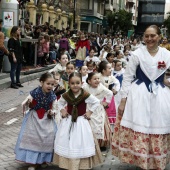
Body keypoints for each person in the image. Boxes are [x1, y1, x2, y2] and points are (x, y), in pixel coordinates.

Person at [112, 25, 170, 170]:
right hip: (139, 94)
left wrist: (166, 82)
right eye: (146, 36)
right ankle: (142, 161)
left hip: (160, 94)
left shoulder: (166, 54)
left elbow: (162, 75)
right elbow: (127, 78)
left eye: (153, 35)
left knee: (157, 124)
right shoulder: (137, 54)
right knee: (141, 123)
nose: (149, 39)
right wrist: (123, 101)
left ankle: (155, 160)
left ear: (159, 37)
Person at [53, 72, 102, 170]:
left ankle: (81, 164)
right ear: (69, 84)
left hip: (81, 122)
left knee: (80, 141)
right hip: (68, 121)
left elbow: (96, 102)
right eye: (72, 83)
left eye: (77, 83)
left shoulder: (85, 95)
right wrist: (63, 111)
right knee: (68, 140)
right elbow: (59, 103)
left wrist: (89, 112)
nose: (75, 85)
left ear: (82, 83)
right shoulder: (66, 95)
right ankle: (68, 163)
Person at [15, 72, 57, 170]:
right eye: (48, 83)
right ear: (41, 82)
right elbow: (26, 101)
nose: (50, 86)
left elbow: (56, 108)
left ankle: (43, 160)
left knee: (46, 139)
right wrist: (28, 103)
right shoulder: (34, 93)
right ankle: (33, 162)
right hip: (34, 119)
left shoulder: (53, 96)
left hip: (47, 119)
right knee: (33, 139)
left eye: (52, 84)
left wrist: (52, 112)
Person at [84, 72, 112, 151]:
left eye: (98, 78)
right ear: (89, 81)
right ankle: (90, 143)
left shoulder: (101, 87)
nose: (97, 80)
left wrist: (107, 102)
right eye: (94, 79)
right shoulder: (85, 87)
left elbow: (110, 93)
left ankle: (101, 144)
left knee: (101, 124)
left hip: (99, 108)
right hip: (89, 108)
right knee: (89, 125)